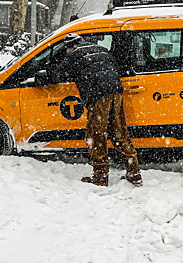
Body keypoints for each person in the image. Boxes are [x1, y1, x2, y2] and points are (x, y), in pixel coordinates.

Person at [55, 33, 142, 187]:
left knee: (96, 134)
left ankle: (100, 175)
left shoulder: (74, 54)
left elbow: (58, 75)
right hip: (116, 91)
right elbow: (116, 66)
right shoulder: (101, 49)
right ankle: (134, 172)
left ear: (70, 47)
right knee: (118, 131)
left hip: (98, 94)